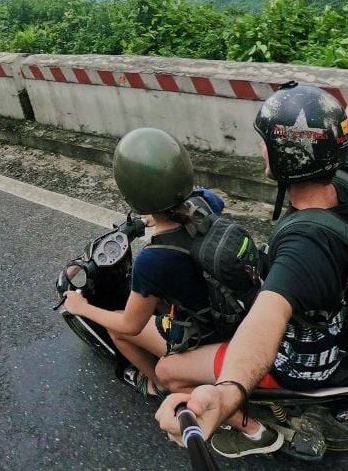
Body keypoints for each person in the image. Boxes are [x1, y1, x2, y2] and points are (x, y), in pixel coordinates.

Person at [153, 16, 348, 458]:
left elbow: (265, 321)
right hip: (340, 318)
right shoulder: (347, 172)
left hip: (303, 363)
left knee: (168, 370)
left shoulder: (304, 247)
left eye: (266, 142)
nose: (260, 147)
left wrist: (225, 394)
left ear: (288, 156)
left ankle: (248, 429)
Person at [63, 127, 230, 400]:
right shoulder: (206, 201)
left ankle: (157, 383)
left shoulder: (153, 260)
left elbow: (131, 325)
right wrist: (152, 219)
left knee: (116, 329)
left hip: (205, 332)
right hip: (224, 304)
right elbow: (200, 203)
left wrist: (82, 307)